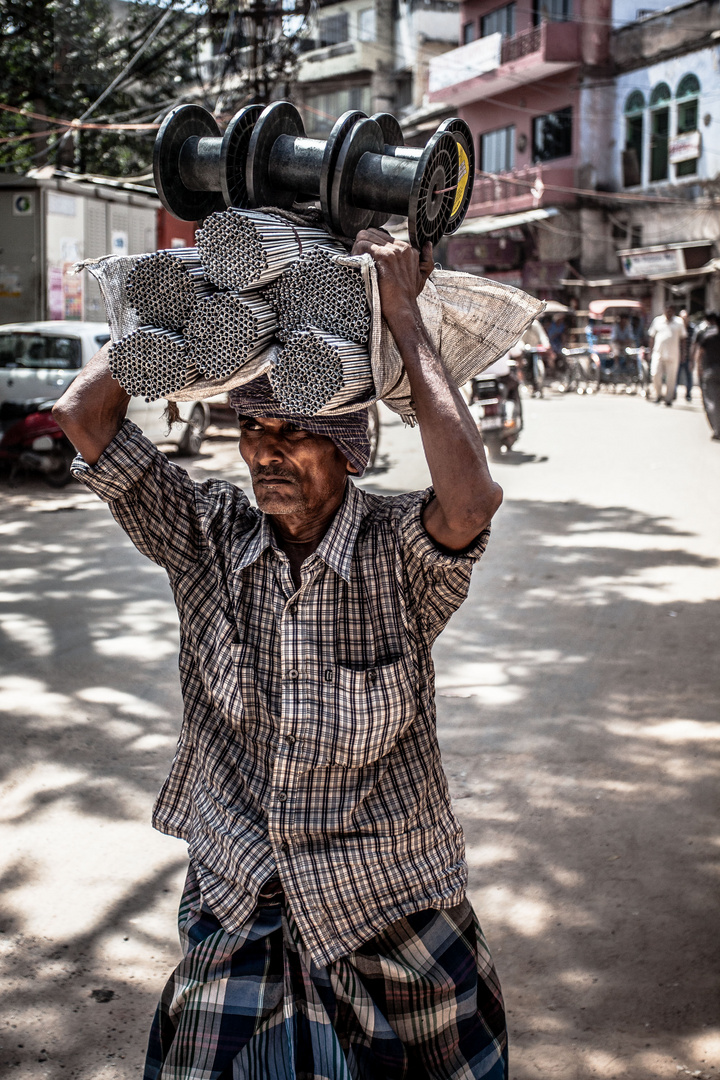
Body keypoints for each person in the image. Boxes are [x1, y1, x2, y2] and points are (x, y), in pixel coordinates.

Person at [53, 230, 508, 1080]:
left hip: (389, 900)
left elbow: (472, 497)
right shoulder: (206, 536)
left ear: (349, 451)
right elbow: (84, 414)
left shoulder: (396, 553)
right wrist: (186, 303)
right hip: (241, 897)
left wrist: (402, 313)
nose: (264, 449)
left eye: (293, 431)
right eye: (253, 428)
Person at [648, 303, 686, 405]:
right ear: (664, 310)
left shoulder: (679, 322)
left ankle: (668, 399)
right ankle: (659, 395)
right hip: (658, 352)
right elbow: (652, 337)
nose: (668, 312)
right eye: (667, 310)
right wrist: (650, 351)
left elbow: (683, 339)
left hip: (673, 354)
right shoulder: (657, 321)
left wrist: (683, 353)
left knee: (671, 377)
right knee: (655, 374)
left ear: (673, 311)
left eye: (671, 310)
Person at [695, 310, 720, 439]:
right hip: (711, 372)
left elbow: (699, 353)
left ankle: (717, 430)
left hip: (710, 372)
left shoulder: (707, 335)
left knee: (711, 402)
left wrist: (698, 368)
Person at [675, 308, 695, 402]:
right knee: (676, 376)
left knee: (689, 376)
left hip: (688, 357)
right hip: (677, 357)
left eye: (685, 317)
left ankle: (688, 394)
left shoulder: (692, 329)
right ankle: (673, 393)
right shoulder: (677, 328)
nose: (684, 320)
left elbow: (694, 345)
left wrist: (692, 358)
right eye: (682, 318)